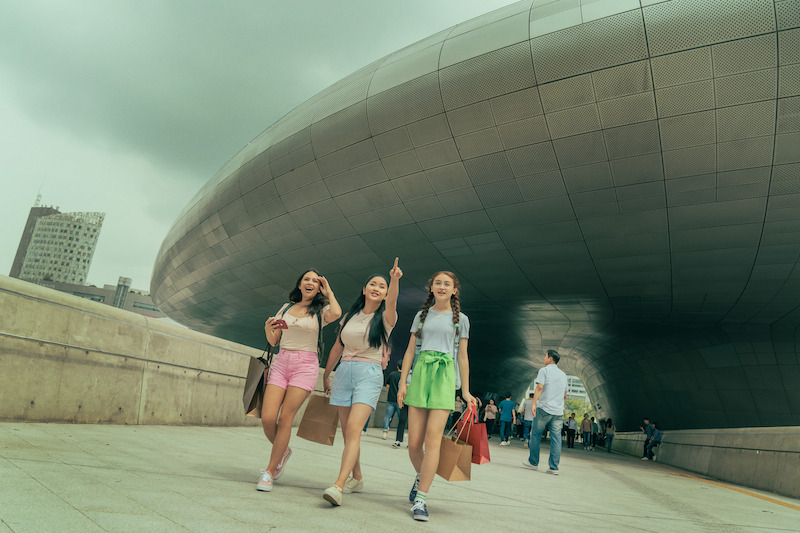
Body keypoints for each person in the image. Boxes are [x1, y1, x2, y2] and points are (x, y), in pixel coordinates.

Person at [321, 259, 402, 506]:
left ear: (385, 294)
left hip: (369, 373)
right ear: (364, 289)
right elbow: (337, 347)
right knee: (348, 432)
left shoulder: (387, 318)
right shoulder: (350, 316)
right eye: (373, 284)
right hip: (344, 372)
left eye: (382, 286)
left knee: (354, 429)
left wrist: (395, 280)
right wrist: (326, 374)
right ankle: (357, 477)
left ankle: (338, 485)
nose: (377, 287)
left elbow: (392, 302)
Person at [397, 270, 475, 522]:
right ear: (431, 288)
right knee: (413, 445)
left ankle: (421, 499)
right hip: (420, 375)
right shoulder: (421, 316)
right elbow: (410, 351)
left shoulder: (461, 319)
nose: (442, 287)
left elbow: (462, 356)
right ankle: (422, 476)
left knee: (433, 442)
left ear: (454, 290)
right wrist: (402, 383)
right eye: (437, 283)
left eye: (447, 284)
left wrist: (464, 390)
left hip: (444, 379)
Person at [258, 270, 342, 492]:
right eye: (307, 279)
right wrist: (268, 329)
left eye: (315, 281)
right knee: (267, 418)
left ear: (318, 287)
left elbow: (337, 312)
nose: (311, 283)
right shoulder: (286, 308)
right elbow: (274, 340)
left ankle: (269, 471)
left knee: (286, 417)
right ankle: (283, 451)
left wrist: (329, 290)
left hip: (305, 365)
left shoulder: (320, 311)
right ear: (300, 283)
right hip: (281, 361)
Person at [521, 349, 568, 474]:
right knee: (556, 439)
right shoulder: (563, 374)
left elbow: (539, 387)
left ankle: (533, 462)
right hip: (558, 412)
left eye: (545, 356)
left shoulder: (544, 370)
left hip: (544, 409)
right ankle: (553, 468)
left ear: (550, 358)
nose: (544, 358)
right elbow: (564, 394)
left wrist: (534, 404)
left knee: (535, 435)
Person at [384, 364, 408, 447]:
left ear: (397, 366)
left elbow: (387, 385)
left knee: (388, 416)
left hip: (392, 399)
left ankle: (385, 432)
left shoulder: (392, 374)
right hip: (402, 400)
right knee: (401, 419)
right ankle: (399, 439)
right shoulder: (405, 376)